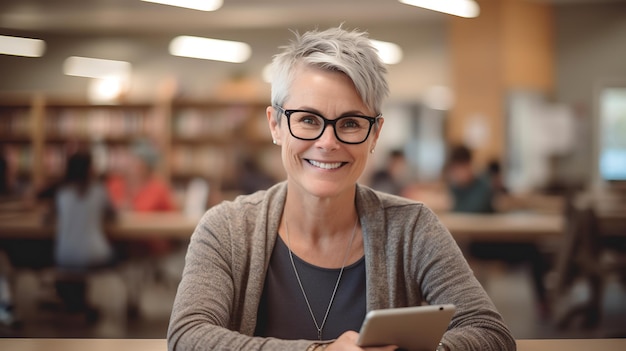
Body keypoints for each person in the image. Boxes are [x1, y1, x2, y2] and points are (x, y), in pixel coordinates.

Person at [167, 27, 515, 351]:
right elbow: (188, 336)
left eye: (350, 123)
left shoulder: (412, 228)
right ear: (276, 125)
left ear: (375, 134)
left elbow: (490, 332)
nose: (327, 142)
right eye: (308, 120)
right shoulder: (226, 229)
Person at [54, 150, 117, 314]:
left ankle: (74, 305)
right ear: (89, 169)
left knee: (73, 255)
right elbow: (113, 214)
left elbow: (49, 216)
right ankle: (79, 304)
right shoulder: (98, 191)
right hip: (95, 254)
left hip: (64, 256)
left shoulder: (62, 193)